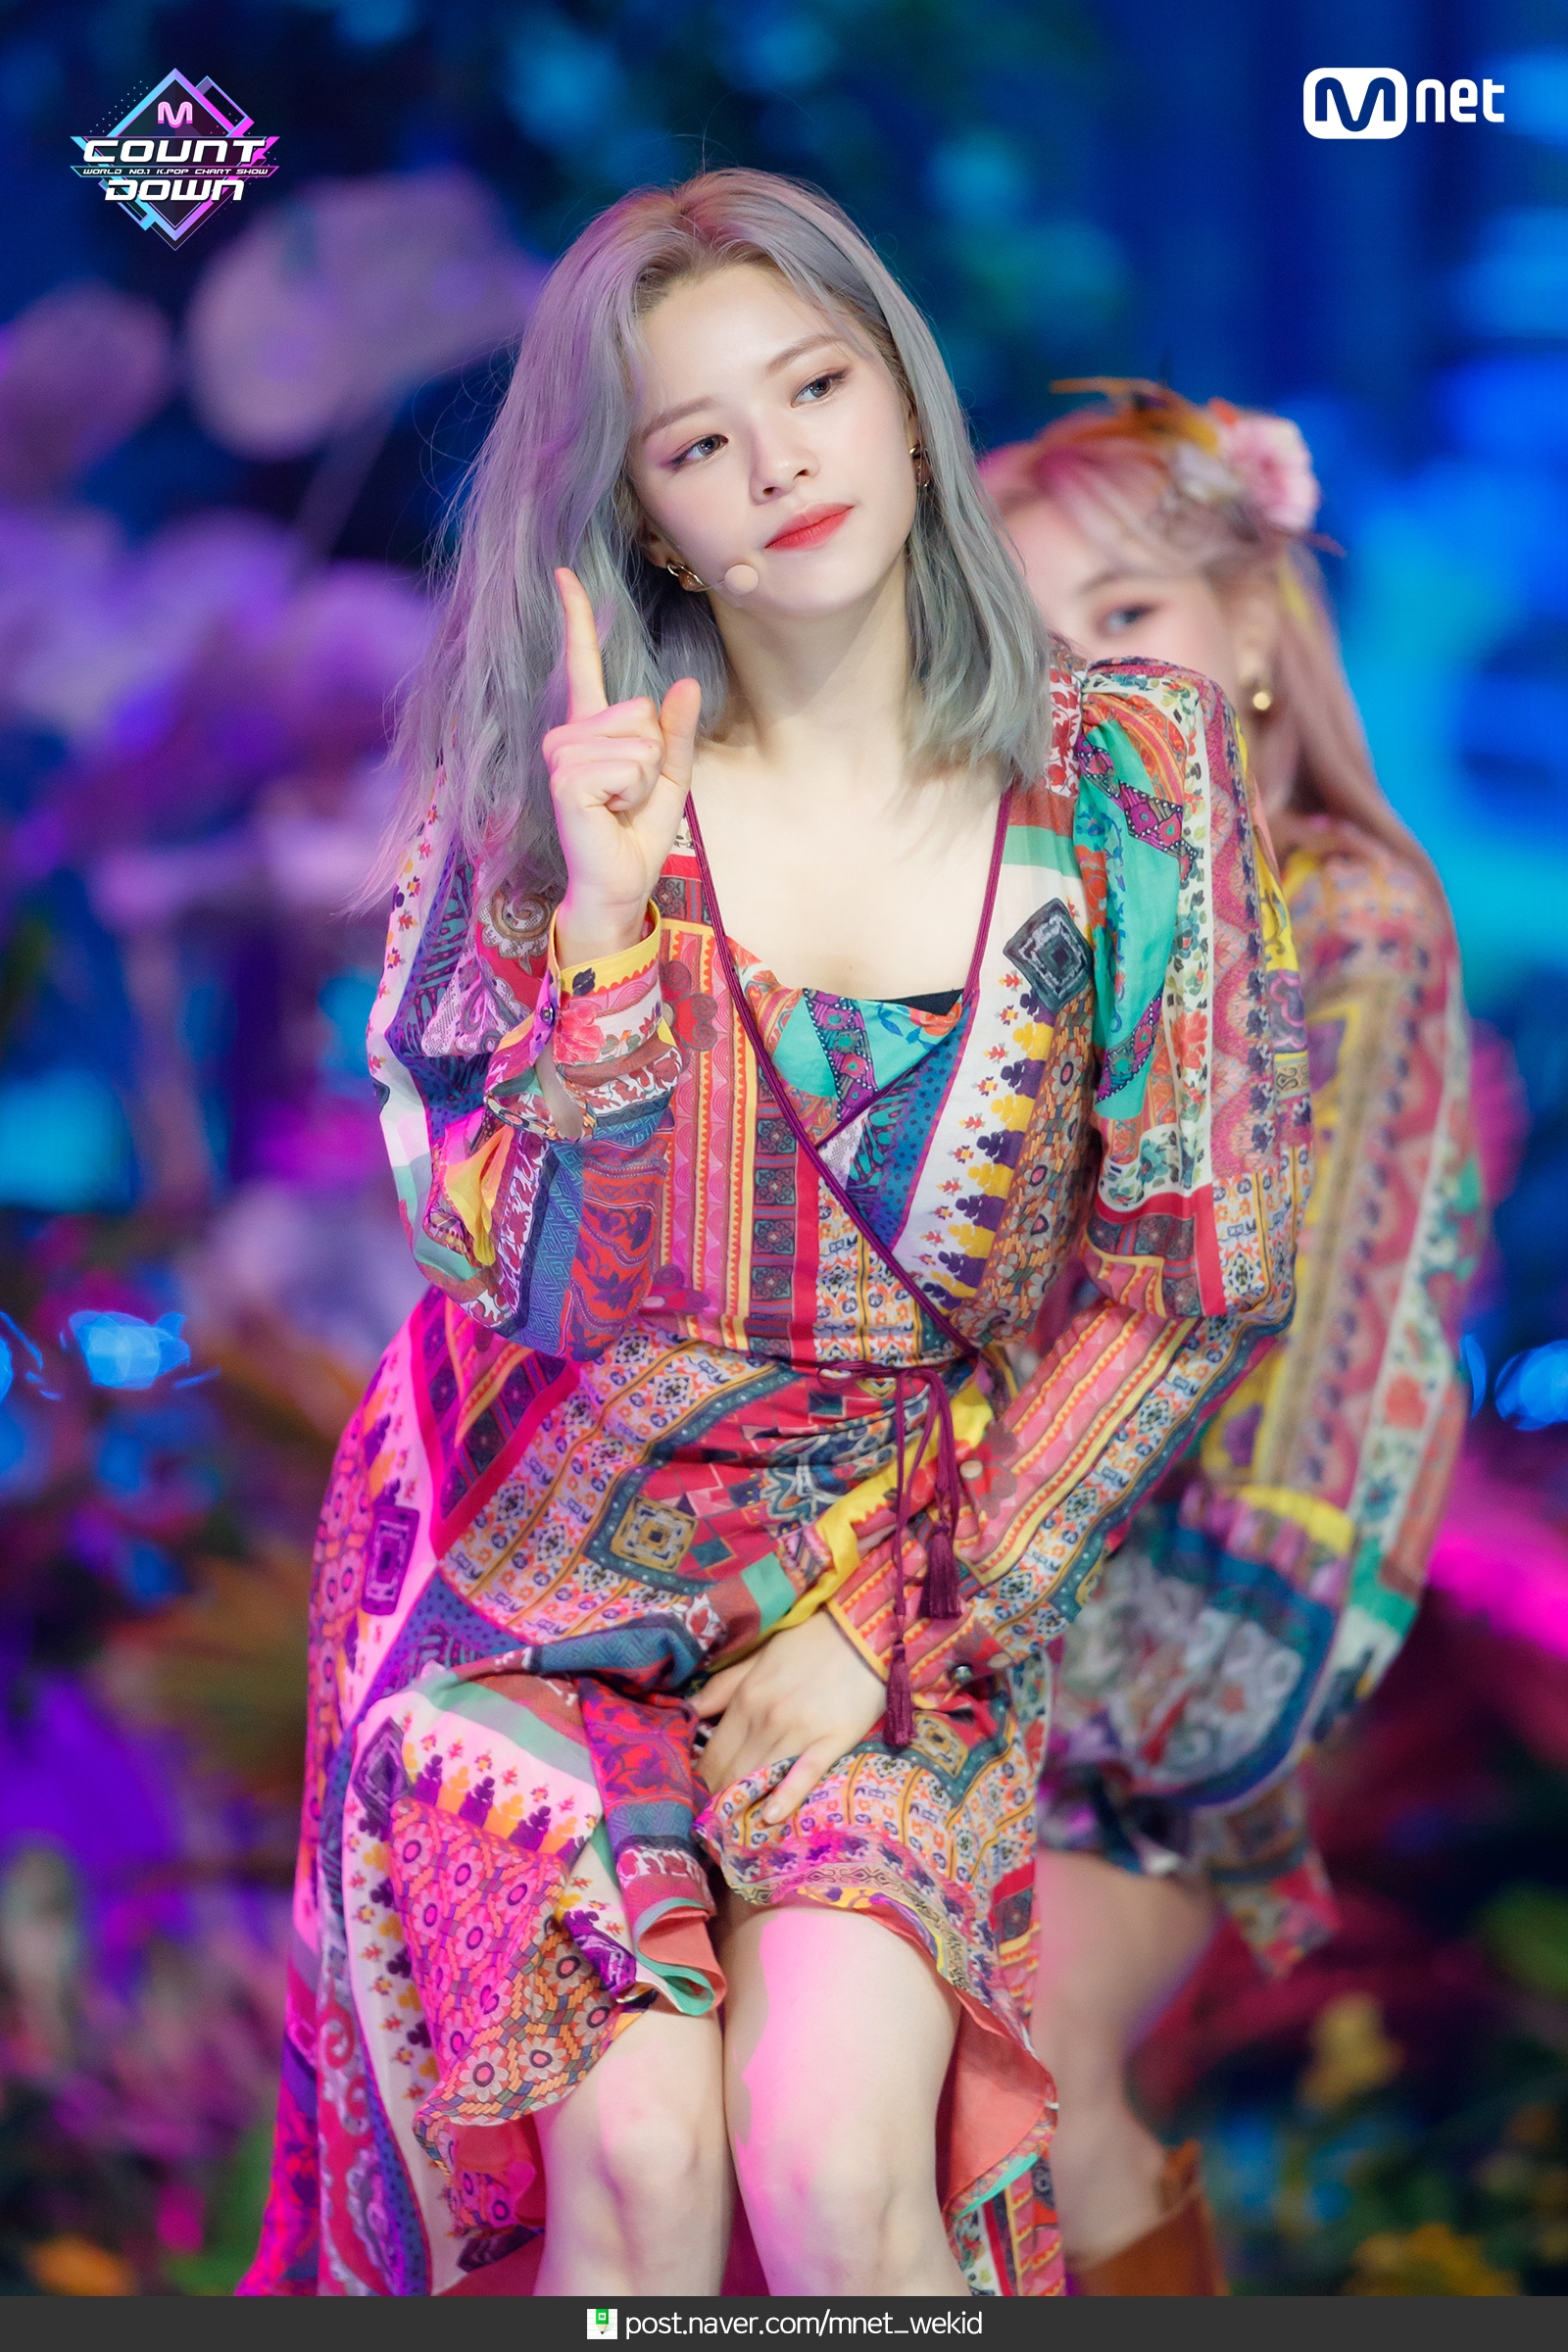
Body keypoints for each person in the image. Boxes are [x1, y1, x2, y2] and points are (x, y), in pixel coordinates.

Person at [240, 191, 1307, 2299]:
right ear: (647, 521)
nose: (780, 464)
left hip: (898, 1563)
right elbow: (516, 1280)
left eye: (814, 386)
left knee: (829, 2165)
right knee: (637, 2172)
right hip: (532, 1572)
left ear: (904, 401)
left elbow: (1197, 1276)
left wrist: (909, 1620)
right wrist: (607, 937)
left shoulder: (1131, 771)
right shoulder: (548, 803)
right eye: (699, 441)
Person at [980, 383, 1480, 2292]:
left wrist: (1149, 1706)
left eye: (1126, 618)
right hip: (956, 1637)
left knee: (1021, 2068)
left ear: (1255, 622)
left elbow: (1327, 1383)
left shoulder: (1344, 920)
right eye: (1038, 649)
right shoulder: (1039, 926)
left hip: (1160, 1671)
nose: (1086, 684)